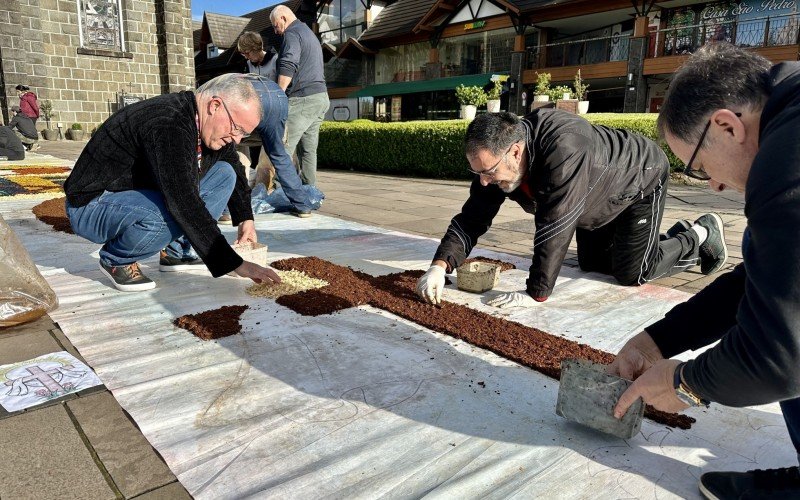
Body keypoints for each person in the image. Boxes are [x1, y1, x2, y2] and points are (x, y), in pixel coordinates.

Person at [608, 43, 800, 499]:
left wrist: (686, 383)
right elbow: (772, 280)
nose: (711, 182)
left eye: (697, 167)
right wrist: (659, 341)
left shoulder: (787, 164)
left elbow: (781, 356)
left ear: (726, 125)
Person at [416, 110, 727, 306]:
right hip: (593, 197)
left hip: (637, 178)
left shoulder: (564, 149)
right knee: (592, 265)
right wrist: (440, 266)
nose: (484, 182)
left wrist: (535, 293)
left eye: (489, 171)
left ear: (514, 151)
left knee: (633, 272)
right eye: (478, 173)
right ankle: (662, 240)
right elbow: (473, 217)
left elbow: (555, 227)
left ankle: (699, 233)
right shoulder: (496, 165)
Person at [64, 73, 281, 292]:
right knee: (173, 210)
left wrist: (245, 219)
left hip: (135, 196)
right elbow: (183, 202)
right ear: (215, 105)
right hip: (92, 205)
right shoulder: (168, 124)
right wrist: (233, 262)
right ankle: (117, 259)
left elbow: (233, 165)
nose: (237, 140)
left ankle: (176, 252)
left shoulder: (205, 123)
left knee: (225, 173)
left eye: (244, 134)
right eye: (237, 129)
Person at [238, 32, 313, 218]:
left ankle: (292, 200)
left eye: (248, 53)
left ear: (256, 48)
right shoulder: (248, 64)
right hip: (256, 115)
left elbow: (284, 87)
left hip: (275, 114)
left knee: (275, 156)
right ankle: (244, 191)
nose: (246, 57)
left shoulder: (277, 60)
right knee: (237, 142)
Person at [271, 4, 329, 186]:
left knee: (283, 149)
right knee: (308, 152)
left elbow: (289, 63)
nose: (276, 31)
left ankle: (282, 196)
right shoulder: (309, 33)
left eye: (275, 25)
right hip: (320, 97)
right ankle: (308, 197)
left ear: (283, 18)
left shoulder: (292, 33)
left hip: (303, 99)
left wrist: (278, 95)